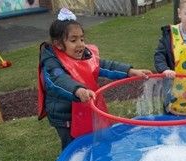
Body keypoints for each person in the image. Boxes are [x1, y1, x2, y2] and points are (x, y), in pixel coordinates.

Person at [38, 8, 151, 150]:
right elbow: (58, 80)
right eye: (73, 40)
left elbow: (104, 66)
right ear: (58, 44)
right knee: (73, 147)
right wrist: (78, 90)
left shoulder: (85, 54)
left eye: (82, 38)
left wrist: (130, 71)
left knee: (92, 139)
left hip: (85, 107)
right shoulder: (51, 62)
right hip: (66, 116)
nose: (80, 44)